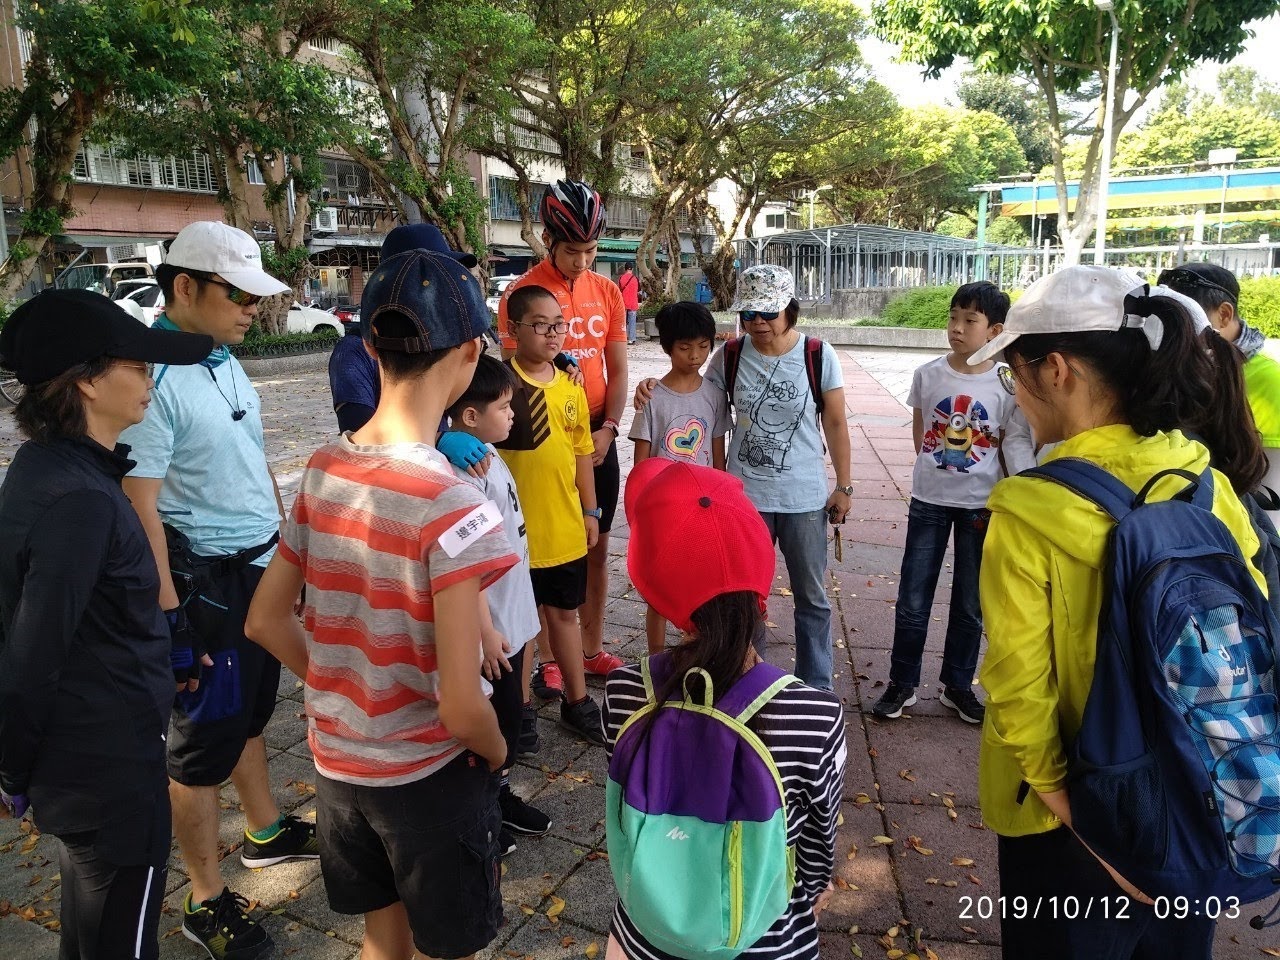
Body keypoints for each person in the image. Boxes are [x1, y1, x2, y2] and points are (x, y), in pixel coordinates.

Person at [975, 265, 1267, 958]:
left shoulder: (1028, 510)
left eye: (1015, 373)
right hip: (1196, 799)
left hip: (1067, 824)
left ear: (1057, 369)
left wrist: (1087, 827)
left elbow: (1019, 689)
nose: (1016, 392)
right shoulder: (1206, 483)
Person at [245, 249, 515, 960]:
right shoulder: (452, 505)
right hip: (429, 776)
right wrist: (496, 751)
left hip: (339, 769)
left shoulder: (322, 469)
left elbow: (266, 620)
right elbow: (462, 703)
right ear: (471, 352)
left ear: (370, 348)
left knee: (380, 940)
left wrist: (349, 693)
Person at [120, 221, 315, 959]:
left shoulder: (222, 357)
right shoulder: (151, 377)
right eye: (238, 295)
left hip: (260, 566)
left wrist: (288, 549)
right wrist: (171, 618)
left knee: (251, 713)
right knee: (199, 745)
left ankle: (263, 831)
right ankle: (204, 899)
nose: (251, 310)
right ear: (185, 287)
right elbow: (141, 507)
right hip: (205, 586)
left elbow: (252, 456)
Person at [0, 292, 212, 960]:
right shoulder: (80, 499)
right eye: (139, 366)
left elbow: (91, 614)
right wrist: (11, 771)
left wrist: (167, 653)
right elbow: (32, 652)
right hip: (105, 773)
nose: (151, 381)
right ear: (88, 381)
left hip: (91, 758)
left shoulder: (52, 467)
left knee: (93, 934)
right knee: (119, 938)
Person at [603, 458, 846, 960]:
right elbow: (818, 841)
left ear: (659, 596)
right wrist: (813, 885)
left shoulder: (625, 691)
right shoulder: (815, 716)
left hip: (646, 931)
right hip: (769, 938)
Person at [635, 264, 852, 690]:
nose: (758, 322)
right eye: (749, 313)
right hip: (743, 497)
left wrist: (843, 486)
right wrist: (650, 386)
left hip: (803, 497)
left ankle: (817, 686)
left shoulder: (817, 354)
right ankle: (749, 679)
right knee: (744, 598)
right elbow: (692, 390)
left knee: (811, 596)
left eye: (768, 313)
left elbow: (836, 422)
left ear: (789, 309)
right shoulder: (731, 355)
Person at [872, 281, 1026, 724]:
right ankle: (902, 682)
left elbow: (1010, 440)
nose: (956, 328)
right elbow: (921, 431)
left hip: (981, 503)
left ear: (995, 331)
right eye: (953, 318)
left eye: (969, 320)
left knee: (970, 602)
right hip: (930, 500)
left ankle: (957, 686)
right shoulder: (928, 374)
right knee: (913, 596)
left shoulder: (1007, 384)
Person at [498, 179, 628, 699]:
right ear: (549, 240)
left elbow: (618, 369)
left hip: (599, 431)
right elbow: (512, 368)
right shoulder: (522, 293)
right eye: (572, 250)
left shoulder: (608, 291)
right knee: (540, 550)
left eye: (591, 250)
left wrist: (609, 429)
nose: (582, 260)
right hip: (542, 434)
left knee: (594, 545)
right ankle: (549, 659)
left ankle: (590, 648)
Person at [444, 353, 553, 848]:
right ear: (470, 416)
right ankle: (481, 809)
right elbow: (464, 563)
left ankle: (498, 796)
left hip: (512, 612)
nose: (513, 415)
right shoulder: (464, 471)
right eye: (505, 407)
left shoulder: (488, 452)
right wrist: (487, 634)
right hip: (491, 629)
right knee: (493, 724)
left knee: (509, 718)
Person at [496, 284, 607, 744]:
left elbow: (582, 454)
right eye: (540, 325)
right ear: (513, 329)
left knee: (564, 616)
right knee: (520, 628)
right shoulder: (498, 386)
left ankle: (577, 702)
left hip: (563, 530)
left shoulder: (571, 386)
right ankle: (519, 708)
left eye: (559, 325)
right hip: (512, 536)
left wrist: (590, 511)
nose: (553, 334)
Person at [628, 302, 730, 653]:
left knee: (701, 584)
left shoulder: (714, 395)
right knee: (659, 588)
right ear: (668, 347)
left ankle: (696, 651)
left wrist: (722, 503)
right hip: (664, 508)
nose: (695, 356)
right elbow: (641, 465)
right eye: (685, 347)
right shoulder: (652, 397)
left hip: (702, 507)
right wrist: (639, 512)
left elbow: (717, 456)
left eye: (703, 346)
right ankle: (655, 659)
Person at [328, 221, 480, 437]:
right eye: (433, 277)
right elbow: (357, 427)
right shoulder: (353, 350)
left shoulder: (448, 340)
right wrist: (440, 439)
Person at [1158, 261, 1280, 512]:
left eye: (1185, 320)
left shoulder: (1270, 380)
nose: (1171, 334)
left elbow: (1272, 497)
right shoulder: (1167, 366)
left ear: (1223, 314)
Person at [618, 262, 641, 345]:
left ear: (625, 269)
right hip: (633, 302)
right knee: (632, 321)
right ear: (632, 269)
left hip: (623, 302)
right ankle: (631, 339)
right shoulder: (635, 279)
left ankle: (622, 338)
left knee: (622, 321)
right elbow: (638, 290)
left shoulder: (621, 278)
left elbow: (619, 289)